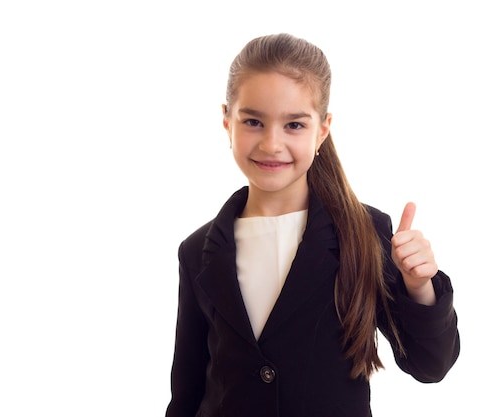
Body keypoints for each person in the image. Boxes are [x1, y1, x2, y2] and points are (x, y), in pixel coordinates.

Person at [165, 33, 460, 417]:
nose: (271, 144)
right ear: (227, 121)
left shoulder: (364, 232)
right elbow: (187, 392)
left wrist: (419, 287)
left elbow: (429, 365)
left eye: (294, 125)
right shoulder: (197, 250)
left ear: (322, 129)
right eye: (253, 121)